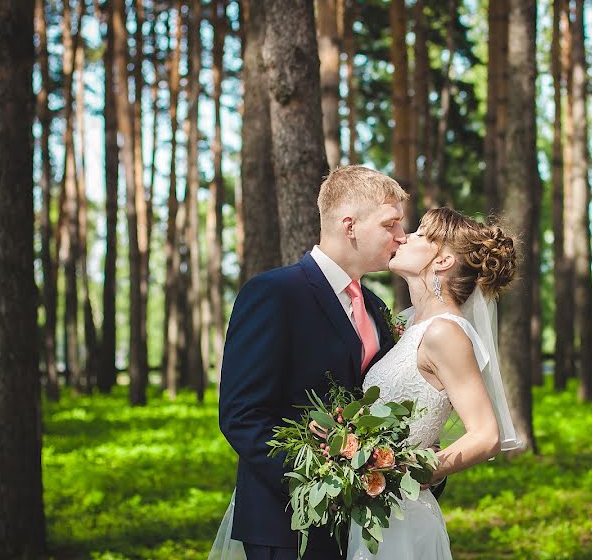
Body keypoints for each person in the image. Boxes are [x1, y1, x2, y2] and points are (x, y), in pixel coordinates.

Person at [213, 166, 409, 560]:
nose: (401, 237)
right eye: (390, 224)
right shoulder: (273, 294)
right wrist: (325, 483)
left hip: (360, 527)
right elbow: (241, 414)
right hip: (285, 524)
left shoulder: (375, 306)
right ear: (349, 225)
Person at [347, 207, 523, 560]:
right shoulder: (412, 326)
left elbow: (486, 436)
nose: (405, 236)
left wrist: (411, 470)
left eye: (421, 234)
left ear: (442, 261)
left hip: (402, 515)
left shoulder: (445, 332)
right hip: (373, 514)